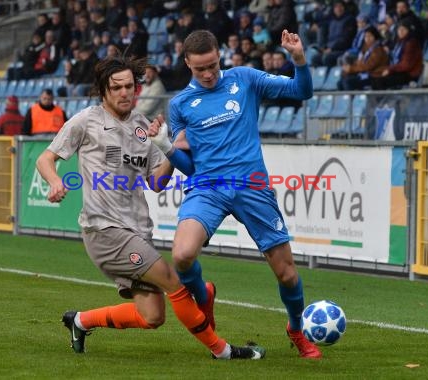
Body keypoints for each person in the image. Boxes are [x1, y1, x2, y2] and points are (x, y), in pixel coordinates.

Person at [35, 55, 265, 360]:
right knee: (174, 282)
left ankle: (80, 321)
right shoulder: (86, 121)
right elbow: (45, 159)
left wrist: (168, 147)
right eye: (117, 87)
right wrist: (54, 182)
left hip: (137, 232)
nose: (125, 92)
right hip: (104, 231)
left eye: (130, 86)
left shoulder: (143, 127)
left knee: (153, 317)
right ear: (104, 90)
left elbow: (156, 183)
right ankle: (222, 350)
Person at [148, 29, 322, 359]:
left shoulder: (244, 79)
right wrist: (165, 147)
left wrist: (297, 58)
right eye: (201, 69)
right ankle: (204, 297)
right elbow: (190, 167)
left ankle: (296, 329)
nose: (209, 74)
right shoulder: (182, 104)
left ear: (219, 56)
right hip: (208, 187)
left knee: (287, 274)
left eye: (213, 65)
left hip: (252, 186)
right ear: (187, 63)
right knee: (182, 255)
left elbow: (302, 90)